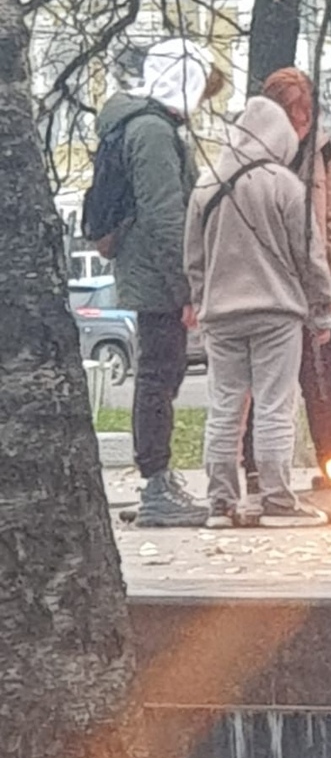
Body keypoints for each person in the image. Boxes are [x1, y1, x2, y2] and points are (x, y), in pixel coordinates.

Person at [184, 97, 331, 527]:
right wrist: (320, 310)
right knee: (273, 406)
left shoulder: (205, 186)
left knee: (225, 407)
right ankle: (277, 501)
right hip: (275, 314)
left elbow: (193, 260)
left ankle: (220, 503)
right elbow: (309, 256)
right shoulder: (283, 184)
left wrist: (201, 301)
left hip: (220, 316)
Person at [95, 38, 212, 527]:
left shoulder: (138, 125)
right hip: (158, 274)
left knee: (159, 372)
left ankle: (157, 479)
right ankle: (157, 483)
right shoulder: (153, 132)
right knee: (159, 375)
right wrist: (187, 286)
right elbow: (167, 215)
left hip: (147, 269)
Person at [240, 67, 331, 489]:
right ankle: (257, 468)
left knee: (321, 375)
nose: (301, 124)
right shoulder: (250, 151)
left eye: (307, 115)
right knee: (263, 381)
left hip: (314, 278)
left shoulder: (322, 151)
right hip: (267, 280)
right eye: (294, 114)